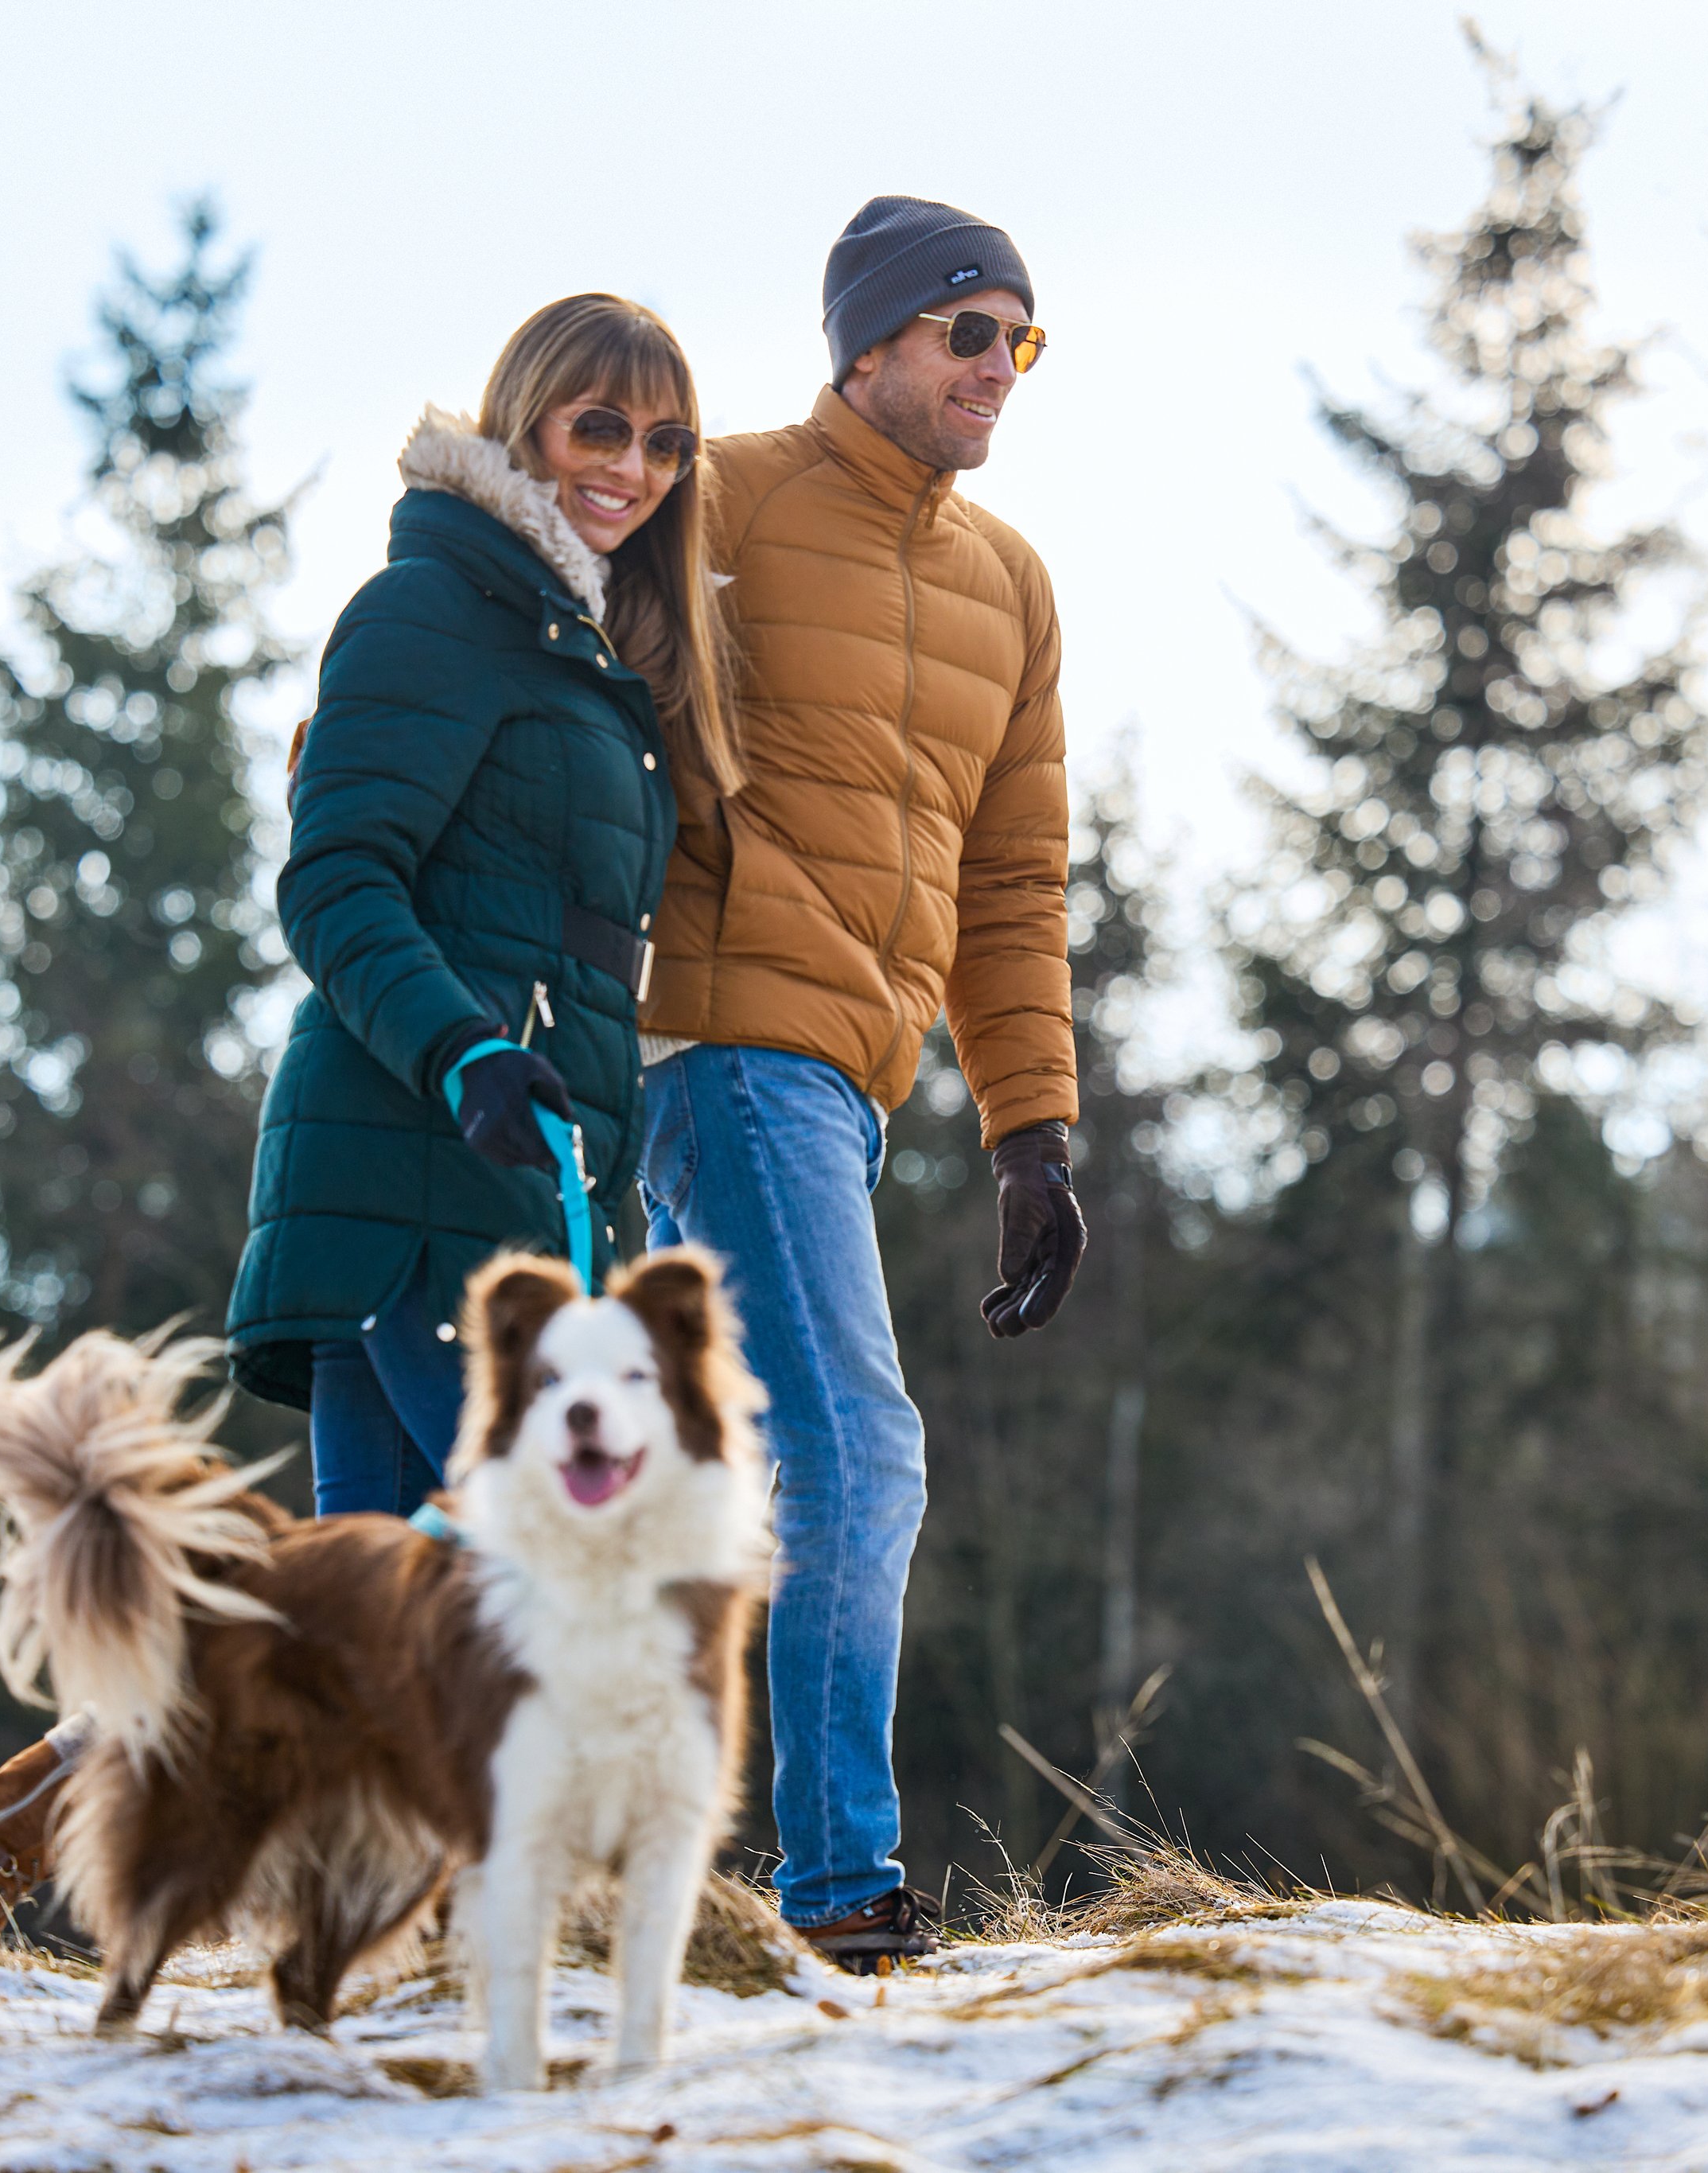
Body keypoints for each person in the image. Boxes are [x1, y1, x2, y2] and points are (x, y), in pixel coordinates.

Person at [0, 294, 737, 1959]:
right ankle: (512, 1923)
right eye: (597, 427)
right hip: (416, 1181)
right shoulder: (436, 609)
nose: (631, 465)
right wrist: (465, 1054)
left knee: (346, 1621)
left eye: (664, 441)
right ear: (524, 426)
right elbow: (335, 882)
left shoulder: (579, 644)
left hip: (502, 1181)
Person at [634, 194, 1082, 1972]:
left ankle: (18, 1814)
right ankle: (840, 1895)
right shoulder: (724, 498)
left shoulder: (1011, 587)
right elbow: (535, 652)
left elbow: (1012, 883)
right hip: (720, 1045)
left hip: (847, 1082)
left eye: (1021, 339)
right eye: (970, 330)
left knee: (577, 1496)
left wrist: (1033, 1130)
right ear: (870, 343)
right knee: (856, 1451)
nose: (1000, 366)